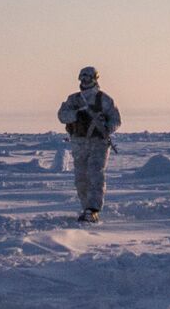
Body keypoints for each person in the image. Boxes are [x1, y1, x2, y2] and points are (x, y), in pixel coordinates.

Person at [56, 66, 120, 222]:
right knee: (81, 178)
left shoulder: (104, 99)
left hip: (98, 143)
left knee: (95, 174)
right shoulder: (74, 99)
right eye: (82, 77)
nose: (84, 80)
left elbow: (116, 120)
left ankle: (93, 209)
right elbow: (62, 115)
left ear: (95, 79)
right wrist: (76, 115)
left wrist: (105, 127)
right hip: (79, 143)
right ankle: (86, 208)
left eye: (88, 77)